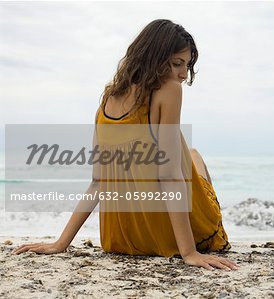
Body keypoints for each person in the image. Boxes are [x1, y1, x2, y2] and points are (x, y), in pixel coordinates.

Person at [12, 19, 238, 271]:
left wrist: (61, 243)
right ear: (154, 57)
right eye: (177, 64)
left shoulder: (108, 98)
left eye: (186, 66)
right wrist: (188, 252)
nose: (183, 75)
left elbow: (98, 181)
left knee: (185, 152)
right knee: (193, 155)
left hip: (119, 239)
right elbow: (170, 175)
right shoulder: (169, 89)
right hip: (165, 236)